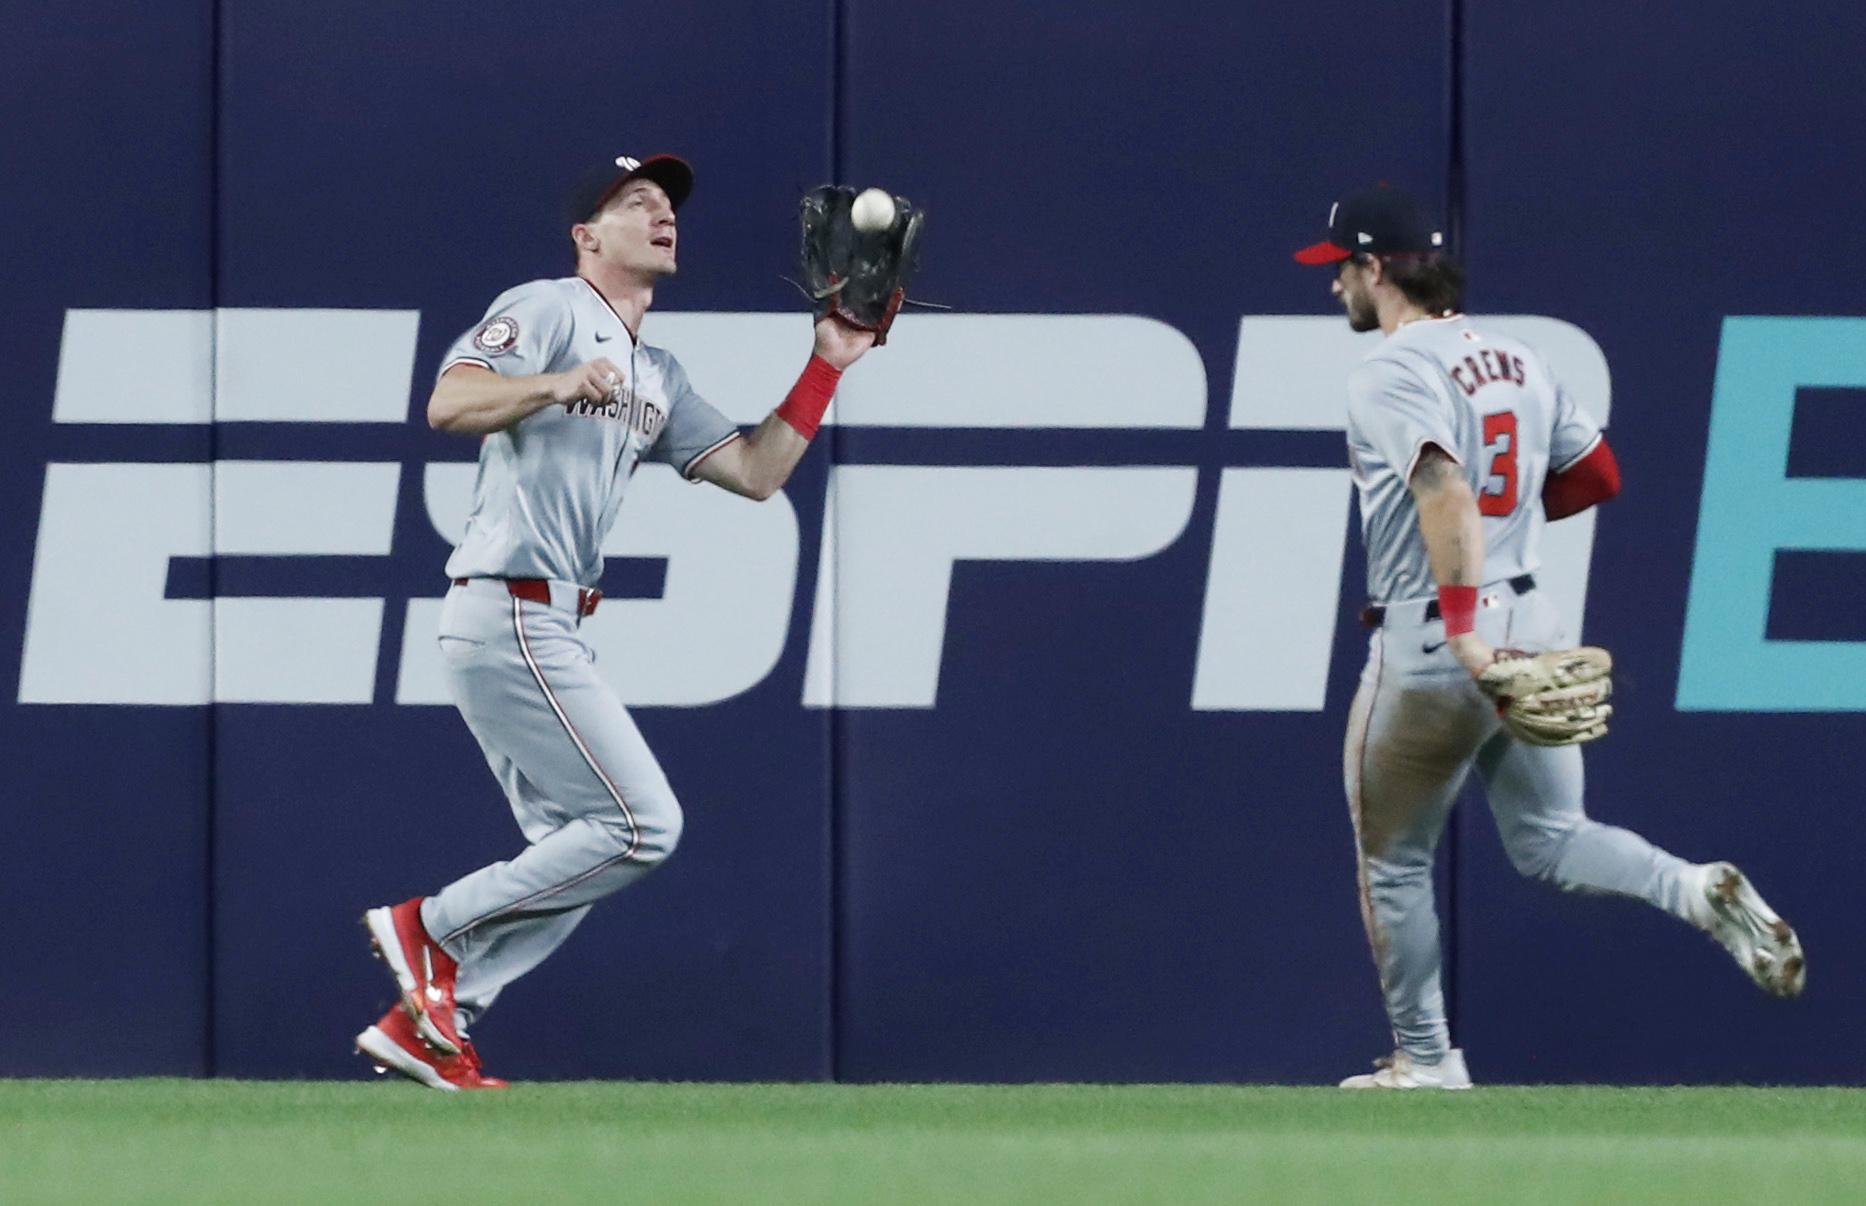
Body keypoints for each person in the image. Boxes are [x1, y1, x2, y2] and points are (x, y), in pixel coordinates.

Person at [355, 153, 875, 1090]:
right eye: (635, 202)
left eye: (667, 203)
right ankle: (428, 930)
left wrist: (825, 365)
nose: (660, 213)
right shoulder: (552, 307)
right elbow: (447, 401)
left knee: (579, 850)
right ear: (587, 237)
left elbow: (758, 473)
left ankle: (430, 1020)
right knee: (642, 826)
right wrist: (553, 383)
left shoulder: (655, 370)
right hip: (507, 610)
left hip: (545, 619)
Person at [1293, 185, 1805, 1090]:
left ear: (1378, 269)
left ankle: (1425, 1060)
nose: (1335, 287)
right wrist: (1504, 557)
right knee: (1553, 837)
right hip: (1531, 621)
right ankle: (1693, 887)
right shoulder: (1519, 356)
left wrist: (1461, 633)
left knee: (1395, 860)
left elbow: (1445, 491)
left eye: (1341, 270)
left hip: (1434, 640)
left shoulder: (1388, 371)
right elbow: (1597, 474)